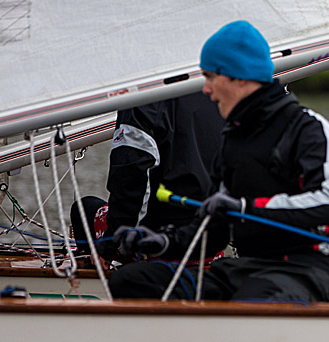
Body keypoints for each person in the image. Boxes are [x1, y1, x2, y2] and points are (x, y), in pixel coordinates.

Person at [107, 20, 329, 303]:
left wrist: (246, 207)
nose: (206, 90)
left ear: (239, 77)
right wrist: (164, 242)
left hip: (302, 272)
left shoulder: (309, 129)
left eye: (210, 77)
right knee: (130, 281)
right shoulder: (233, 138)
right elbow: (216, 230)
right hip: (247, 268)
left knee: (253, 297)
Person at [69, 94, 223, 250]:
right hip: (210, 230)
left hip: (165, 234)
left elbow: (131, 178)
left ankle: (105, 264)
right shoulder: (216, 91)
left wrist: (112, 243)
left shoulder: (142, 100)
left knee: (83, 209)